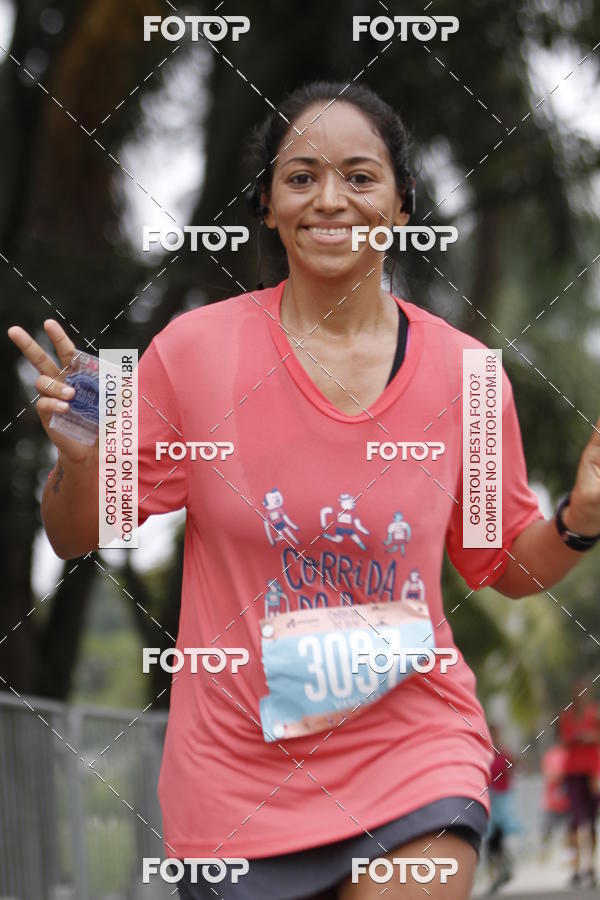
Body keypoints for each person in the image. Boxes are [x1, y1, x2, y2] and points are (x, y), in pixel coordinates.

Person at [8, 81, 600, 900]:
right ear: (269, 206)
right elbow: (77, 534)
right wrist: (81, 463)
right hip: (235, 788)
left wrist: (580, 518)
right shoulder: (193, 354)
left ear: (400, 207)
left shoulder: (469, 377)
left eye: (361, 177)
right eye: (301, 177)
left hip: (412, 753)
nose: (331, 198)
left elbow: (503, 561)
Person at [559, 681, 600, 887]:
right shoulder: (566, 716)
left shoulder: (594, 714)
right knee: (575, 820)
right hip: (572, 771)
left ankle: (590, 867)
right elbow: (563, 741)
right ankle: (575, 867)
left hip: (592, 771)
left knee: (591, 820)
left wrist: (587, 738)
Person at [485, 725, 520, 894]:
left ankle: (507, 866)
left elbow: (514, 767)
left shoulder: (503, 754)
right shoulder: (483, 753)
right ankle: (495, 875)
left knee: (505, 834)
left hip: (503, 798)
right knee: (490, 840)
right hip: (489, 800)